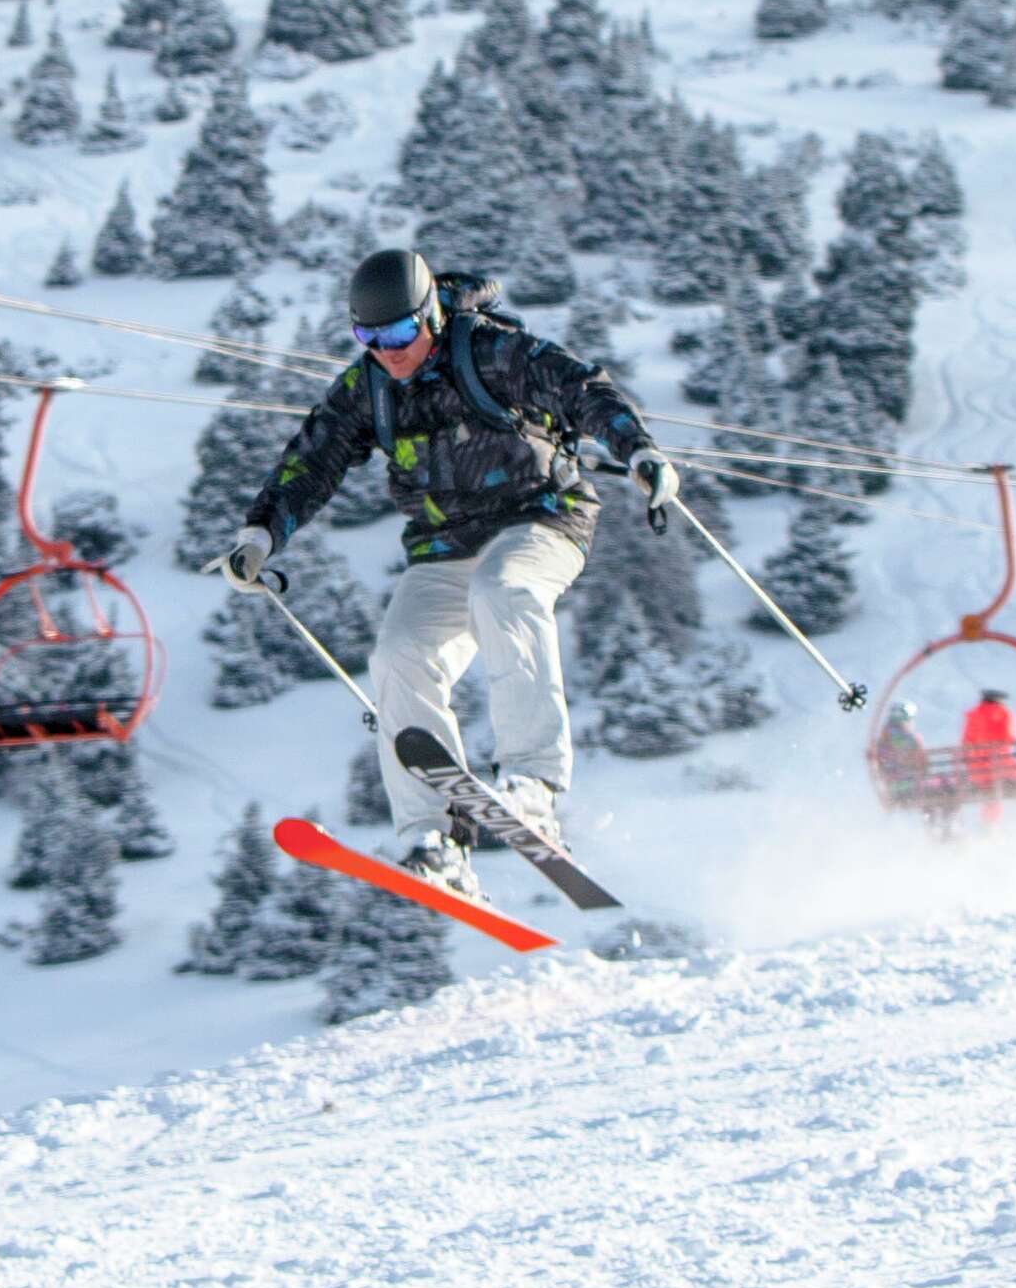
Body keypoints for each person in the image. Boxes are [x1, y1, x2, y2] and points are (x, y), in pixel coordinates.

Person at [207, 247, 677, 900]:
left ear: (428, 314)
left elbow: (582, 390)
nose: (390, 350)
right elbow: (311, 459)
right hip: (443, 544)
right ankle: (436, 840)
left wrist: (639, 450)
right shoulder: (368, 386)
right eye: (369, 337)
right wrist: (261, 534)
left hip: (539, 517)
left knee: (504, 592)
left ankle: (534, 784)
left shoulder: (490, 353)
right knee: (401, 654)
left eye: (401, 332)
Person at [960, 688, 1016, 822]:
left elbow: (966, 744)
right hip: (1002, 771)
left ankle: (989, 823)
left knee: (992, 790)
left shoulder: (972, 716)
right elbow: (1010, 738)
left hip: (978, 774)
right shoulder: (1004, 713)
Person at [874, 699, 931, 805]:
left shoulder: (882, 741)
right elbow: (925, 766)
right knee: (945, 786)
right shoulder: (912, 739)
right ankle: (944, 819)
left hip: (891, 788)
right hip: (912, 786)